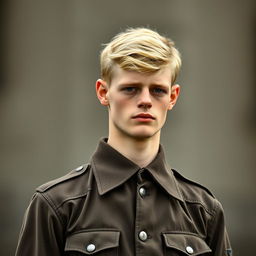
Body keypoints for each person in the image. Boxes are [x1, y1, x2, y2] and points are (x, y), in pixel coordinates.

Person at [15, 27, 232, 256]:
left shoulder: (204, 210)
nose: (145, 101)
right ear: (103, 92)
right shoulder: (55, 205)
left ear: (173, 97)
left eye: (158, 90)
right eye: (131, 88)